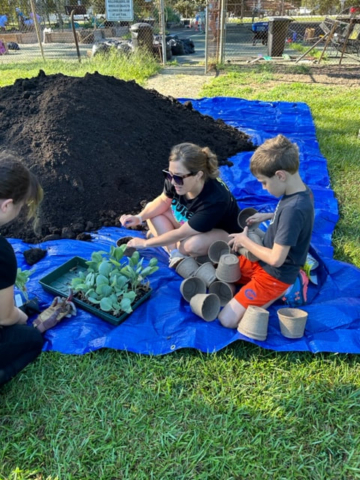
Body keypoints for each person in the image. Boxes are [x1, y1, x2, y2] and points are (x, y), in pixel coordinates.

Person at [219, 134, 314, 329]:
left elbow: (277, 259)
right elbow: (291, 217)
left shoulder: (293, 209)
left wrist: (245, 241)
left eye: (264, 182)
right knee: (223, 270)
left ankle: (289, 288)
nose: (263, 188)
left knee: (226, 319)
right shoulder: (300, 191)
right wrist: (270, 215)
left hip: (276, 274)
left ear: (280, 175)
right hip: (263, 257)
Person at [120, 143, 242, 267]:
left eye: (178, 177)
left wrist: (145, 243)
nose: (172, 181)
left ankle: (171, 244)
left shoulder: (214, 200)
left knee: (190, 246)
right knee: (152, 211)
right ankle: (174, 253)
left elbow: (181, 233)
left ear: (199, 175)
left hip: (224, 233)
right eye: (169, 174)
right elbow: (163, 200)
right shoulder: (176, 178)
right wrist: (139, 218)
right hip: (193, 223)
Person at [0, 151, 44, 387]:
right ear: (7, 205)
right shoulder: (2, 253)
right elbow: (5, 317)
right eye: (21, 206)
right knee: (30, 338)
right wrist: (22, 316)